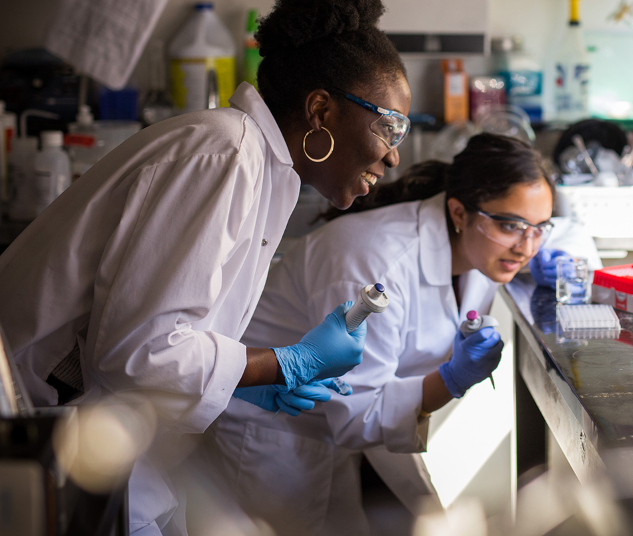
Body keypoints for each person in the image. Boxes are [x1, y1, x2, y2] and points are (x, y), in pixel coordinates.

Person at [0, 0, 410, 536]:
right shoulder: (225, 152)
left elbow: (161, 334)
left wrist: (245, 378)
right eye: (390, 126)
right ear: (320, 111)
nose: (395, 154)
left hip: (99, 440)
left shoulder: (262, 167)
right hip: (30, 433)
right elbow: (138, 350)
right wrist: (281, 364)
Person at [198, 134, 600, 535]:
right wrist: (449, 381)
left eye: (538, 228)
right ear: (459, 213)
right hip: (272, 430)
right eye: (512, 226)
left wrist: (563, 258)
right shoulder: (377, 266)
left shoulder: (484, 238)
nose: (527, 247)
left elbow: (567, 231)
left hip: (338, 424)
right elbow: (357, 414)